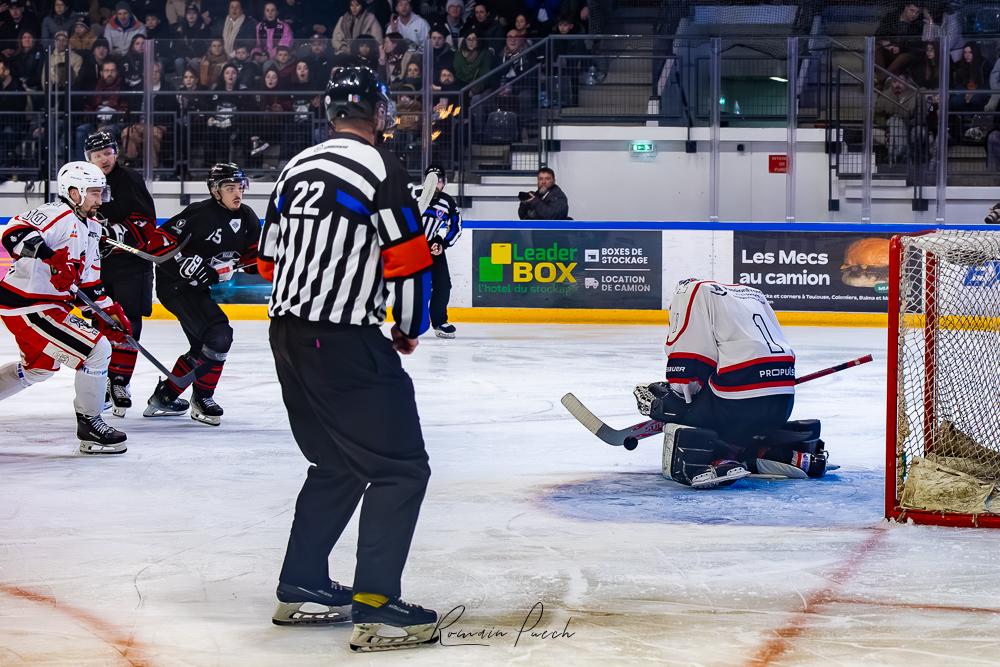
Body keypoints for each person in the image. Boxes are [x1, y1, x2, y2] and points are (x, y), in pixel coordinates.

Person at [259, 65, 437, 651]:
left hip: (287, 336)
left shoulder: (295, 167)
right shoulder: (382, 168)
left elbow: (266, 260)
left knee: (336, 463)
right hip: (343, 341)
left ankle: (302, 585)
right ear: (379, 113)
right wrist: (407, 327)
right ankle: (377, 608)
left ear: (330, 111)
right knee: (400, 468)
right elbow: (409, 260)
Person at [633, 279, 827, 489]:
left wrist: (669, 403)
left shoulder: (692, 293)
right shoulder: (753, 296)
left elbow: (688, 372)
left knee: (679, 406)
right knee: (738, 406)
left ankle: (719, 458)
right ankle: (773, 453)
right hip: (782, 405)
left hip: (737, 407)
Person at [0, 161, 132, 454]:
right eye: (94, 193)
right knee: (97, 350)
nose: (100, 199)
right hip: (28, 304)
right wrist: (49, 257)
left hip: (49, 307)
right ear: (74, 192)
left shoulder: (94, 228)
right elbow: (14, 234)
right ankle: (90, 426)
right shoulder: (55, 213)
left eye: (101, 192)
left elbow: (89, 284)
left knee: (38, 369)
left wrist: (109, 312)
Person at [142, 163, 259, 425]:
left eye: (240, 187)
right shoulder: (199, 213)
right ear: (215, 190)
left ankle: (166, 395)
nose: (237, 193)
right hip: (175, 287)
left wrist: (269, 260)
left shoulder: (248, 217)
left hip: (198, 290)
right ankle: (203, 398)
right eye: (230, 188)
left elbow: (252, 259)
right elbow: (157, 241)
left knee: (204, 346)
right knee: (219, 335)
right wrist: (183, 263)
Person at [84, 132, 157, 416]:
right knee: (99, 323)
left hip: (131, 265)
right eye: (98, 154)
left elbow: (146, 221)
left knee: (129, 321)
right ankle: (101, 382)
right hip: (97, 267)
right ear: (89, 158)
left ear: (116, 153)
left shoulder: (129, 179)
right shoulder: (83, 181)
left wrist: (114, 233)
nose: (104, 158)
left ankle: (120, 382)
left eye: (108, 152)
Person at [416, 165, 461, 338]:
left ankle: (439, 321)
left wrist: (443, 243)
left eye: (439, 180)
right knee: (412, 286)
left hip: (432, 247)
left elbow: (456, 226)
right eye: (432, 180)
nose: (436, 184)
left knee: (443, 285)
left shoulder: (447, 202)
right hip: (411, 248)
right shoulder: (412, 195)